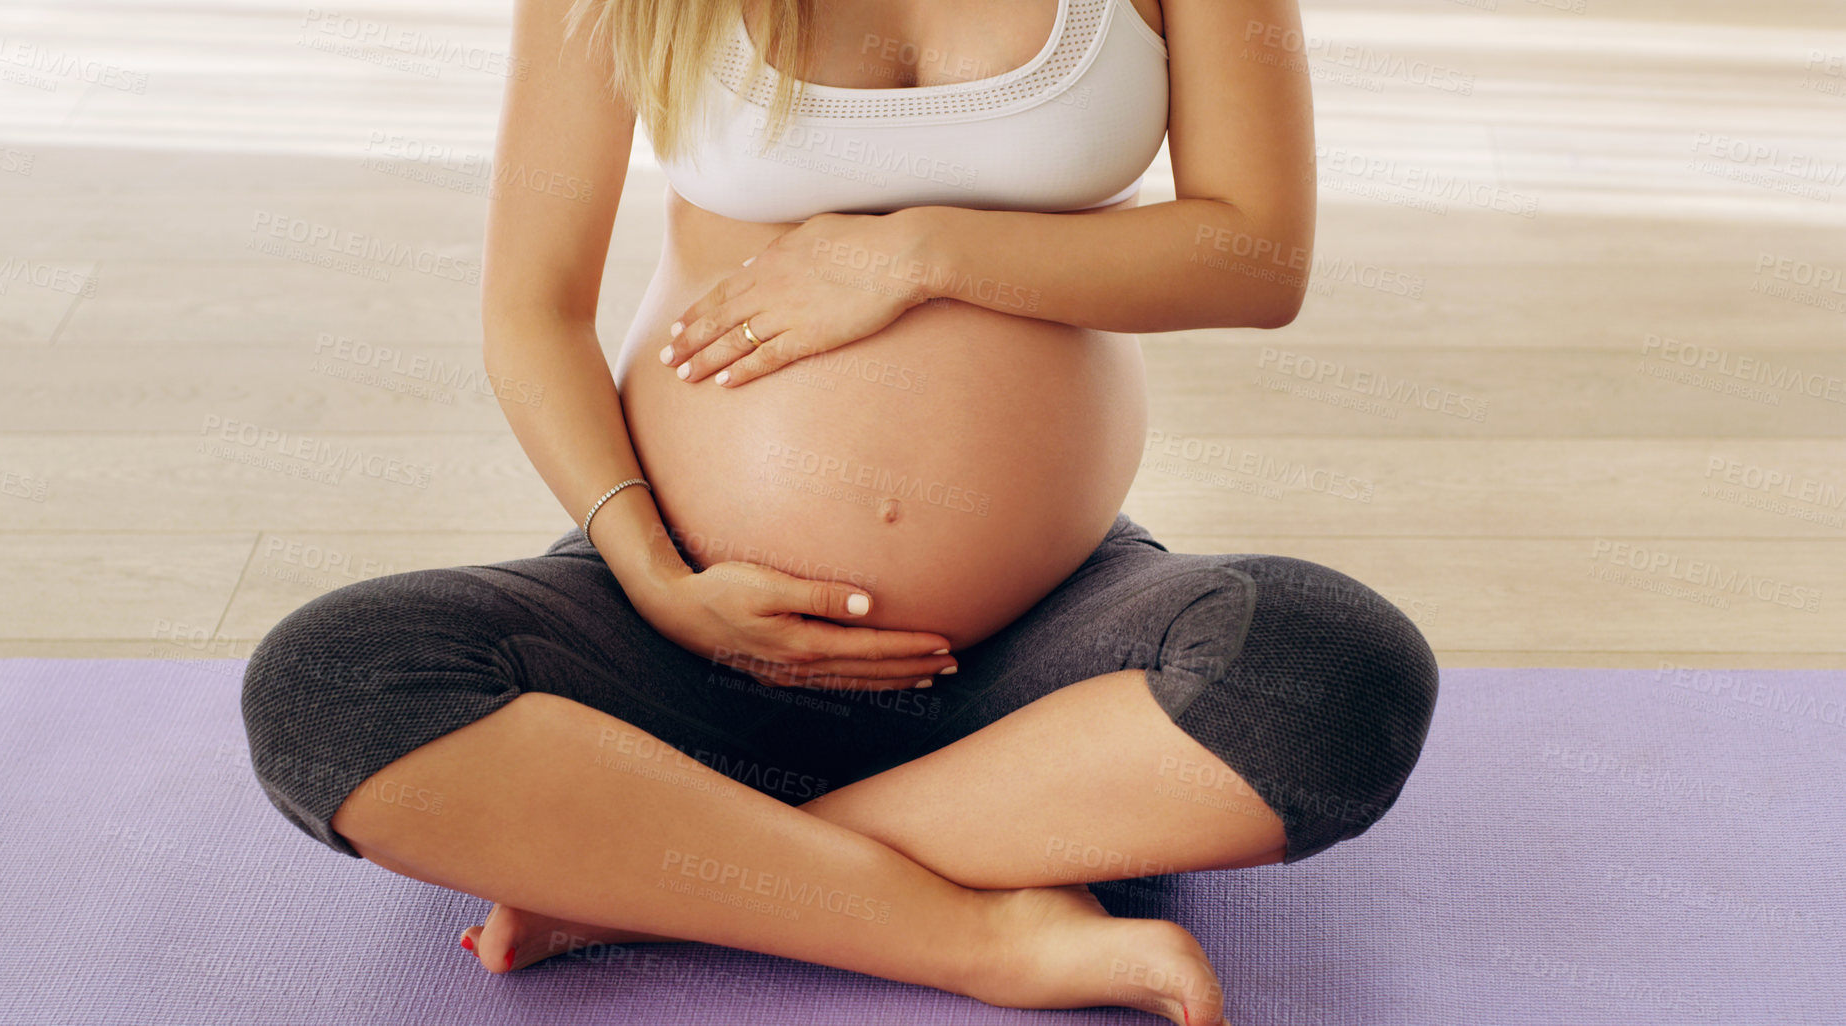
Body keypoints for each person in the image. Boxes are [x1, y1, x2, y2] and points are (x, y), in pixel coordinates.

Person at [240, 0, 1438, 1021]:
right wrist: (656, 575)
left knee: (1335, 674)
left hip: (1036, 653)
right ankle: (978, 939)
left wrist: (917, 253)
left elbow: (1255, 256)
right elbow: (531, 312)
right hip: (684, 621)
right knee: (327, 688)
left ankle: (643, 864)